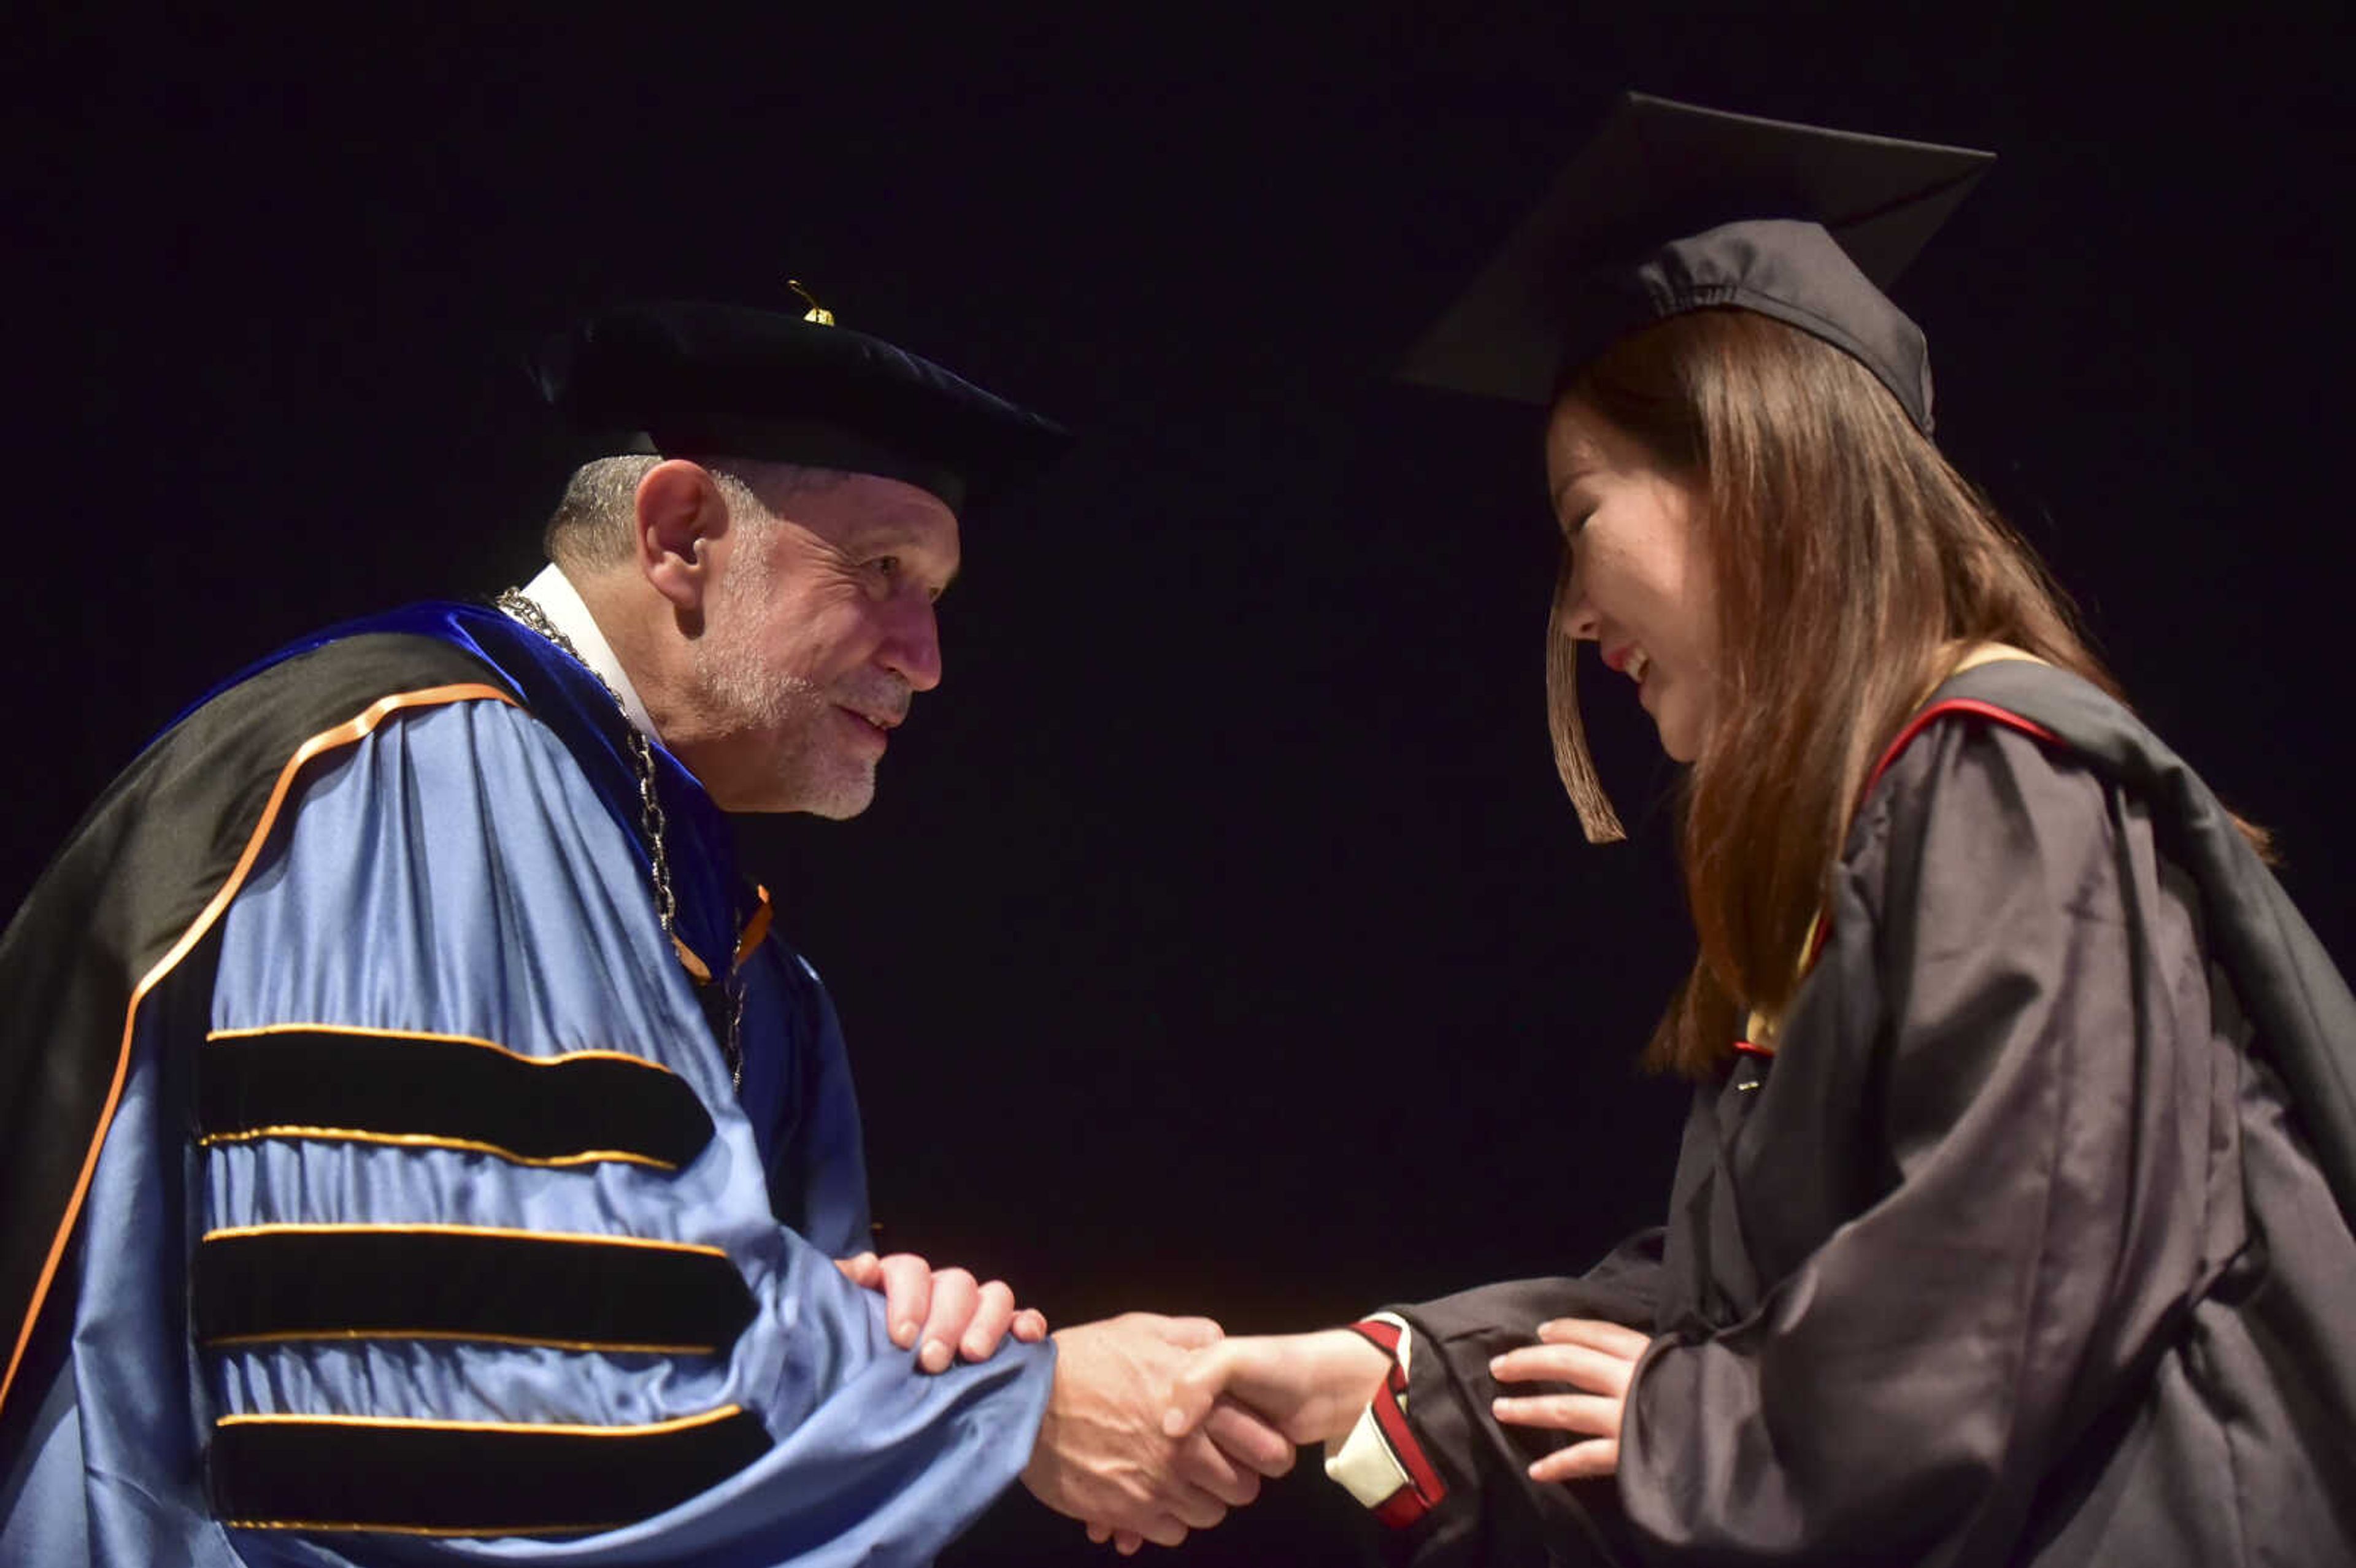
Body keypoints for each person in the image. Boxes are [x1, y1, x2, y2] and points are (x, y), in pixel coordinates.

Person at [1161, 94, 2356, 1564]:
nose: (1578, 613)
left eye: (1582, 515)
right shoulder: (1873, 828)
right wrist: (1392, 1375)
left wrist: (1707, 1424)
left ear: (1748, 470)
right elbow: (1747, 1302)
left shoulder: (2000, 772)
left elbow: (2006, 1276)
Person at [0, 296, 1290, 1564]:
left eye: (939, 595)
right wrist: (1009, 1407)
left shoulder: (746, 950)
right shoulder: (426, 770)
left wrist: (908, 1337)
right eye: (884, 572)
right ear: (680, 536)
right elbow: (462, 1375)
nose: (928, 655)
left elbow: (663, 1303)